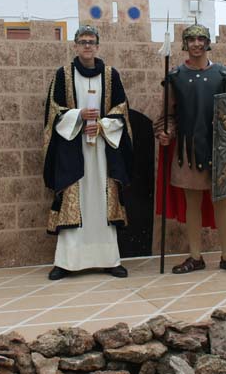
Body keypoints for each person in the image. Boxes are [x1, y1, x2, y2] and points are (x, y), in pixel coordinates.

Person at [155, 24, 226, 274]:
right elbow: (167, 116)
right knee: (192, 203)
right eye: (191, 39)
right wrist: (165, 132)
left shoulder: (223, 75)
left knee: (221, 202)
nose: (196, 43)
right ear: (185, 44)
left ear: (208, 42)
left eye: (201, 39)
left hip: (218, 150)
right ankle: (195, 257)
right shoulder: (175, 77)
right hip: (188, 151)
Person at [43, 25, 133, 280]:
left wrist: (103, 125)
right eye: (82, 41)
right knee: (76, 196)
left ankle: (109, 259)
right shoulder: (63, 75)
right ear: (75, 45)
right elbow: (53, 111)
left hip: (103, 145)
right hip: (74, 146)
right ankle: (66, 261)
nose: (87, 46)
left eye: (91, 41)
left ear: (97, 45)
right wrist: (78, 115)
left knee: (102, 199)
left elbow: (121, 109)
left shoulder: (111, 75)